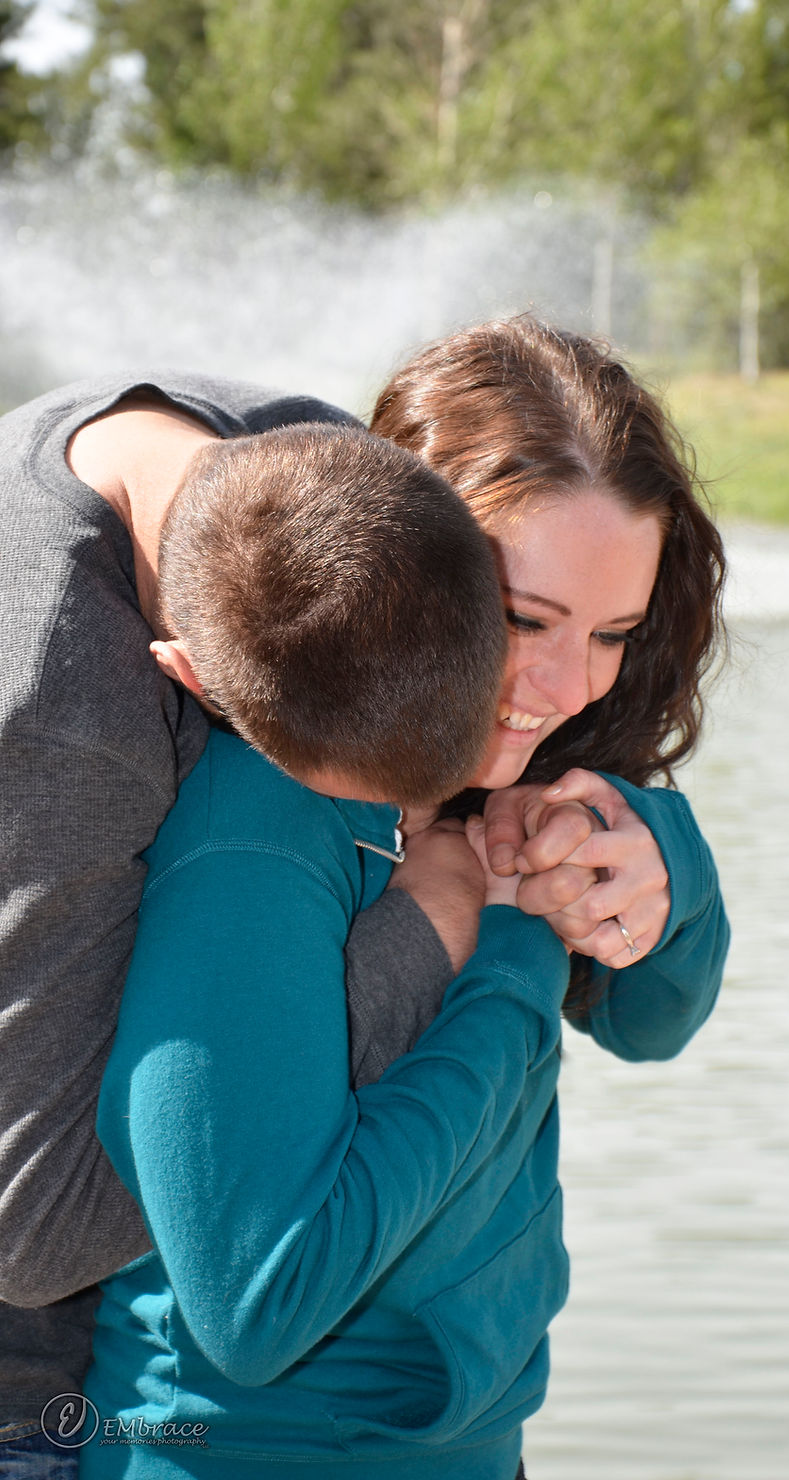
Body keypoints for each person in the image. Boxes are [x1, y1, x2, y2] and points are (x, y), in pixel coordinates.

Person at [79, 319, 730, 1479]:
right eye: (525, 619)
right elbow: (253, 1297)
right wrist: (512, 935)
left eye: (612, 633)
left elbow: (652, 1018)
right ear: (407, 555)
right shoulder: (268, 808)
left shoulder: (525, 778)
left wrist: (660, 867)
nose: (563, 686)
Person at [0, 373, 507, 1476]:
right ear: (183, 677)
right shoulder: (60, 709)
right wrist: (429, 923)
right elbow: (32, 1232)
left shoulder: (311, 477)